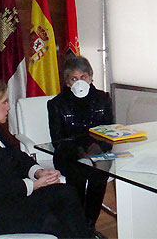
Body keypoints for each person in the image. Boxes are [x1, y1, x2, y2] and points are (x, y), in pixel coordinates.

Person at [0, 75, 90, 238]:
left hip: (14, 197)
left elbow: (18, 157)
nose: (8, 107)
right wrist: (35, 185)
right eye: (4, 102)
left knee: (67, 193)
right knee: (56, 219)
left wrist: (39, 173)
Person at [47, 56, 113, 238]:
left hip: (97, 155)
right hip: (69, 156)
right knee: (76, 177)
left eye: (83, 77)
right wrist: (80, 151)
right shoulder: (56, 104)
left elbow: (110, 133)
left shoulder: (103, 99)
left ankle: (89, 226)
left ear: (91, 78)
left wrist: (97, 147)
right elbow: (57, 140)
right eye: (74, 78)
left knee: (99, 175)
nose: (79, 82)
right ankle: (79, 226)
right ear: (67, 82)